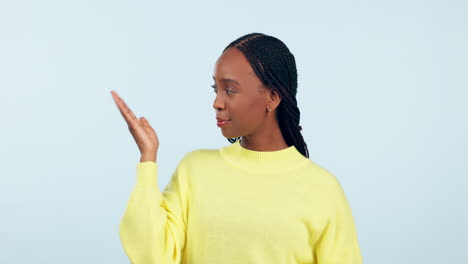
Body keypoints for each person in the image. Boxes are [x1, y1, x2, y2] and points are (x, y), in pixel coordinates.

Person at [112, 32, 363, 264]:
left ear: (272, 97)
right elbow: (152, 255)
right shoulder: (195, 171)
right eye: (216, 89)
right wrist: (148, 158)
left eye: (230, 90)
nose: (217, 102)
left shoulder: (323, 189)